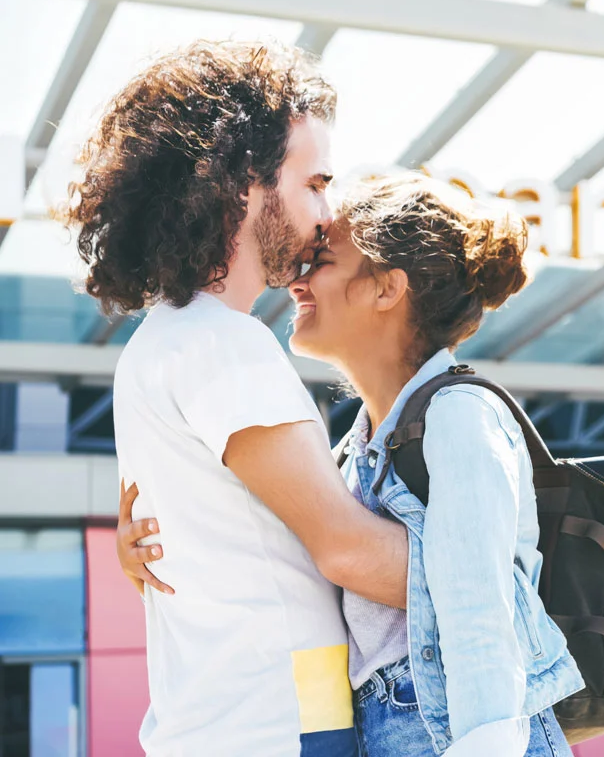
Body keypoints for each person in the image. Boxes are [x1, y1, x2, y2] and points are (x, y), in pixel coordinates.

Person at [122, 172, 586, 756]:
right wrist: (157, 546)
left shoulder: (459, 412)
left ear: (387, 288)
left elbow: (479, 612)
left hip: (463, 725)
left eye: (321, 260)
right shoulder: (356, 449)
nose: (296, 278)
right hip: (391, 723)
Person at [64, 40, 410, 757]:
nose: (327, 215)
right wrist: (513, 585)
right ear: (244, 183)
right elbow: (345, 551)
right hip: (284, 727)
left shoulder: (159, 345)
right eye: (315, 183)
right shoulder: (227, 346)